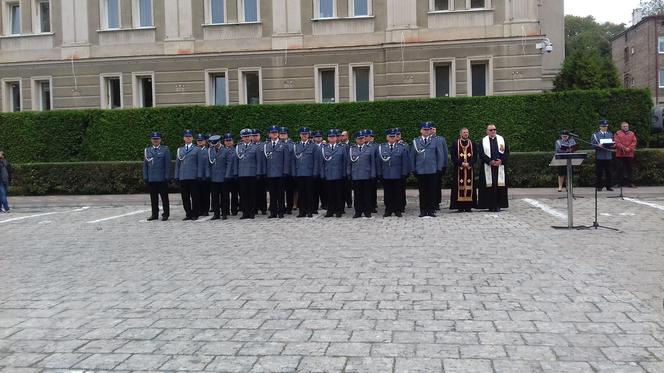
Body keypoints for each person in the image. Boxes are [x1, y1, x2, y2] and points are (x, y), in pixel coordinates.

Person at [411, 122, 445, 217]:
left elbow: (440, 155)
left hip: (432, 170)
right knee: (422, 192)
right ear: (421, 130)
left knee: (432, 191)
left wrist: (439, 168)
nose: (426, 131)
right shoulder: (416, 141)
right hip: (420, 170)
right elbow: (412, 156)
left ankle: (430, 210)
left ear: (430, 130)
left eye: (428, 129)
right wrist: (413, 169)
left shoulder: (436, 141)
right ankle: (423, 210)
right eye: (424, 129)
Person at [378, 129, 410, 217]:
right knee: (387, 194)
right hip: (386, 174)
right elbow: (379, 162)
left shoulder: (401, 148)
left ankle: (397, 210)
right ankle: (388, 210)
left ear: (396, 137)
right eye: (390, 136)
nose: (392, 138)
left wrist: (404, 173)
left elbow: (405, 161)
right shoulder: (381, 147)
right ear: (386, 137)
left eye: (393, 136)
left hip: (398, 174)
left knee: (398, 193)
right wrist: (380, 173)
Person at [232, 128, 263, 219]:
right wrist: (235, 173)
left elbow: (258, 161)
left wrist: (258, 173)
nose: (246, 138)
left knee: (252, 194)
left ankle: (252, 212)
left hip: (252, 174)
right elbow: (236, 162)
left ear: (251, 137)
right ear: (241, 137)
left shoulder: (255, 147)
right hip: (242, 174)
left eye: (248, 136)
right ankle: (245, 213)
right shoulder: (238, 147)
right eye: (244, 136)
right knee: (243, 195)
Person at [261, 125, 292, 219]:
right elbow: (264, 161)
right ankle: (273, 212)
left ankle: (281, 212)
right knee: (272, 194)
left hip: (280, 173)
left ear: (278, 134)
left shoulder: (283, 145)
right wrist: (264, 172)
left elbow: (286, 160)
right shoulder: (266, 146)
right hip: (270, 173)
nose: (274, 134)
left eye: (275, 132)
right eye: (272, 133)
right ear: (269, 134)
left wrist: (285, 171)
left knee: (280, 194)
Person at [478, 123, 509, 212]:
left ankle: (499, 205)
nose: (493, 131)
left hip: (500, 167)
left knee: (499, 186)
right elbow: (481, 154)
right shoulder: (483, 141)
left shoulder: (502, 139)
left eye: (494, 129)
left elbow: (506, 152)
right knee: (490, 187)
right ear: (487, 131)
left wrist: (501, 161)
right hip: (488, 166)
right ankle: (489, 205)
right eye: (491, 130)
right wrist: (490, 161)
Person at [142, 132, 171, 221]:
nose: (155, 141)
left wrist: (167, 176)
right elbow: (145, 165)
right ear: (151, 140)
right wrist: (146, 176)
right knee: (153, 198)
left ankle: (165, 214)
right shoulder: (147, 150)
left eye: (157, 139)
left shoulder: (165, 150)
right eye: (154, 139)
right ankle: (154, 214)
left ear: (160, 140)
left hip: (162, 178)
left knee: (164, 198)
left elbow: (167, 165)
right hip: (152, 178)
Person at [347, 130, 376, 218]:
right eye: (359, 138)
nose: (361, 140)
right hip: (356, 175)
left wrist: (373, 174)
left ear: (365, 139)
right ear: (356, 139)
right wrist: (348, 173)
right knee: (357, 195)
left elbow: (372, 163)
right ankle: (358, 211)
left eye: (362, 138)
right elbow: (349, 163)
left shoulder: (369, 148)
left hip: (367, 175)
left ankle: (367, 211)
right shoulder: (352, 149)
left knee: (367, 195)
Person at [175, 129, 202, 220]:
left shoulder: (197, 149)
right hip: (183, 177)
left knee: (195, 196)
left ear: (192, 138)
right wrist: (177, 176)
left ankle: (195, 214)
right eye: (186, 137)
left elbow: (200, 164)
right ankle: (188, 213)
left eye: (189, 137)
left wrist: (199, 175)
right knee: (185, 197)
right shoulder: (180, 150)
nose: (188, 138)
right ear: (183, 138)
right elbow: (178, 165)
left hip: (193, 177)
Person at [320, 130, 347, 218]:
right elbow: (322, 163)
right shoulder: (324, 148)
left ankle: (338, 211)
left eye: (334, 137)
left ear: (336, 138)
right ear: (328, 138)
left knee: (338, 194)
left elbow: (344, 162)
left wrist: (344, 173)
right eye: (330, 137)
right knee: (329, 194)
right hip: (328, 175)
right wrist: (323, 174)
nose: (332, 138)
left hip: (338, 175)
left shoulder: (341, 148)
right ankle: (330, 211)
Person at [449, 128, 476, 212]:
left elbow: (475, 156)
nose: (466, 134)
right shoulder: (455, 143)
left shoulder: (472, 143)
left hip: (469, 169)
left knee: (470, 185)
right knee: (458, 186)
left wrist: (469, 163)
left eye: (467, 132)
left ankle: (468, 206)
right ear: (460, 134)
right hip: (458, 169)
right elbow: (453, 156)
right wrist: (461, 163)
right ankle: (459, 206)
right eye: (464, 132)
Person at [293, 127, 318, 218]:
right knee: (301, 193)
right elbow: (293, 160)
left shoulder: (313, 146)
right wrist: (294, 172)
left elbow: (316, 160)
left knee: (309, 193)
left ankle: (309, 211)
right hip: (299, 173)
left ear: (308, 135)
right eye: (302, 134)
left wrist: (315, 172)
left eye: (306, 134)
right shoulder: (296, 146)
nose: (304, 135)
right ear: (300, 135)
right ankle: (302, 211)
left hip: (309, 173)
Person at [207, 135, 232, 220]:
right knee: (214, 197)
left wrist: (227, 175)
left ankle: (224, 213)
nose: (214, 145)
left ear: (219, 142)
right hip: (214, 177)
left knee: (224, 196)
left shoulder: (225, 150)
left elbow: (229, 164)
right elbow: (209, 165)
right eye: (212, 144)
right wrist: (209, 175)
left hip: (223, 176)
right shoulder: (210, 151)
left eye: (215, 143)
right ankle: (216, 214)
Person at [591, 119, 615, 191]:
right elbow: (592, 145)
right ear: (600, 127)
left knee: (609, 172)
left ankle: (609, 186)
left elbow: (612, 143)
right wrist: (598, 145)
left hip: (608, 155)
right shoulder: (595, 135)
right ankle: (599, 186)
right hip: (600, 156)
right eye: (603, 126)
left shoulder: (610, 134)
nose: (605, 128)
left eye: (606, 126)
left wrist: (613, 145)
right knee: (599, 172)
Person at [430, 125, 449, 210]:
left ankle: (437, 203)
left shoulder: (441, 139)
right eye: (431, 129)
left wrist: (444, 165)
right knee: (429, 186)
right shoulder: (425, 140)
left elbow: (445, 152)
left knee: (437, 186)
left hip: (438, 166)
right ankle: (430, 202)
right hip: (429, 166)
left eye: (434, 129)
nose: (432, 131)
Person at [614, 121, 637, 188]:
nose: (625, 127)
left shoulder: (632, 133)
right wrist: (624, 148)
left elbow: (634, 142)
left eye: (626, 126)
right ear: (621, 127)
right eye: (624, 126)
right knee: (619, 169)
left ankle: (630, 183)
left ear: (628, 126)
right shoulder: (617, 133)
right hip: (620, 154)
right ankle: (618, 183)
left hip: (629, 154)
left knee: (629, 169)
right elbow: (617, 142)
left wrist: (629, 148)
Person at [279, 127, 296, 214]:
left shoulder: (292, 144)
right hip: (278, 172)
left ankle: (289, 208)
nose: (282, 135)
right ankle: (281, 207)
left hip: (289, 172)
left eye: (284, 134)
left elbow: (293, 159)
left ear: (287, 135)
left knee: (289, 191)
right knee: (280, 191)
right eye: (281, 134)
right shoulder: (275, 144)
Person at [223, 133, 239, 216]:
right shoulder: (221, 150)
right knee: (225, 194)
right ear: (224, 141)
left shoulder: (236, 150)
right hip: (224, 176)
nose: (228, 142)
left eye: (230, 140)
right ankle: (225, 210)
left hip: (234, 175)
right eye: (226, 140)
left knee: (234, 194)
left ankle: (234, 210)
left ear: (233, 141)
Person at [253, 129, 268, 215]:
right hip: (252, 172)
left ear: (259, 136)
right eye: (254, 136)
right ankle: (254, 208)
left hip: (262, 172)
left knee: (262, 192)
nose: (255, 137)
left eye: (256, 135)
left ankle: (263, 209)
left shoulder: (264, 145)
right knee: (253, 192)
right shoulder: (249, 145)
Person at [195, 133, 211, 217]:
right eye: (198, 140)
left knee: (205, 194)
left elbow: (209, 164)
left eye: (201, 140)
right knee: (197, 194)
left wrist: (208, 175)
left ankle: (205, 210)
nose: (200, 142)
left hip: (205, 176)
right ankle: (199, 210)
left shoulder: (208, 150)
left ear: (205, 141)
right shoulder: (194, 150)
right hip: (196, 176)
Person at [313, 130, 327, 212]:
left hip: (323, 171)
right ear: (314, 138)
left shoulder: (325, 146)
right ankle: (315, 206)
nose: (318, 138)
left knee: (324, 190)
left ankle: (325, 204)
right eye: (316, 137)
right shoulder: (312, 146)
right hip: (314, 171)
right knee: (314, 190)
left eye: (319, 137)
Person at [339, 130, 353, 209]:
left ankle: (349, 202)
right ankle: (342, 203)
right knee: (341, 188)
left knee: (348, 188)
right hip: (340, 170)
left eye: (343, 135)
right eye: (341, 135)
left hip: (348, 169)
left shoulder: (352, 145)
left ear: (347, 136)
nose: (342, 137)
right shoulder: (339, 145)